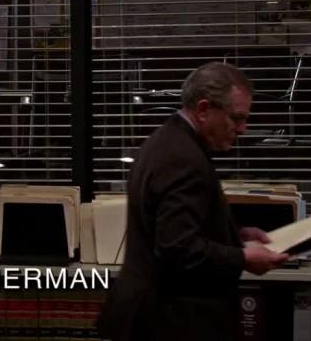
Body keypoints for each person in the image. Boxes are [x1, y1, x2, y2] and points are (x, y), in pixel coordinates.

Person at [98, 62, 289, 341]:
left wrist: (234, 236)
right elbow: (177, 248)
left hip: (153, 315)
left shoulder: (168, 139)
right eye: (236, 118)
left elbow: (174, 228)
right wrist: (243, 257)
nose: (243, 129)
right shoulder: (183, 159)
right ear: (203, 110)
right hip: (171, 321)